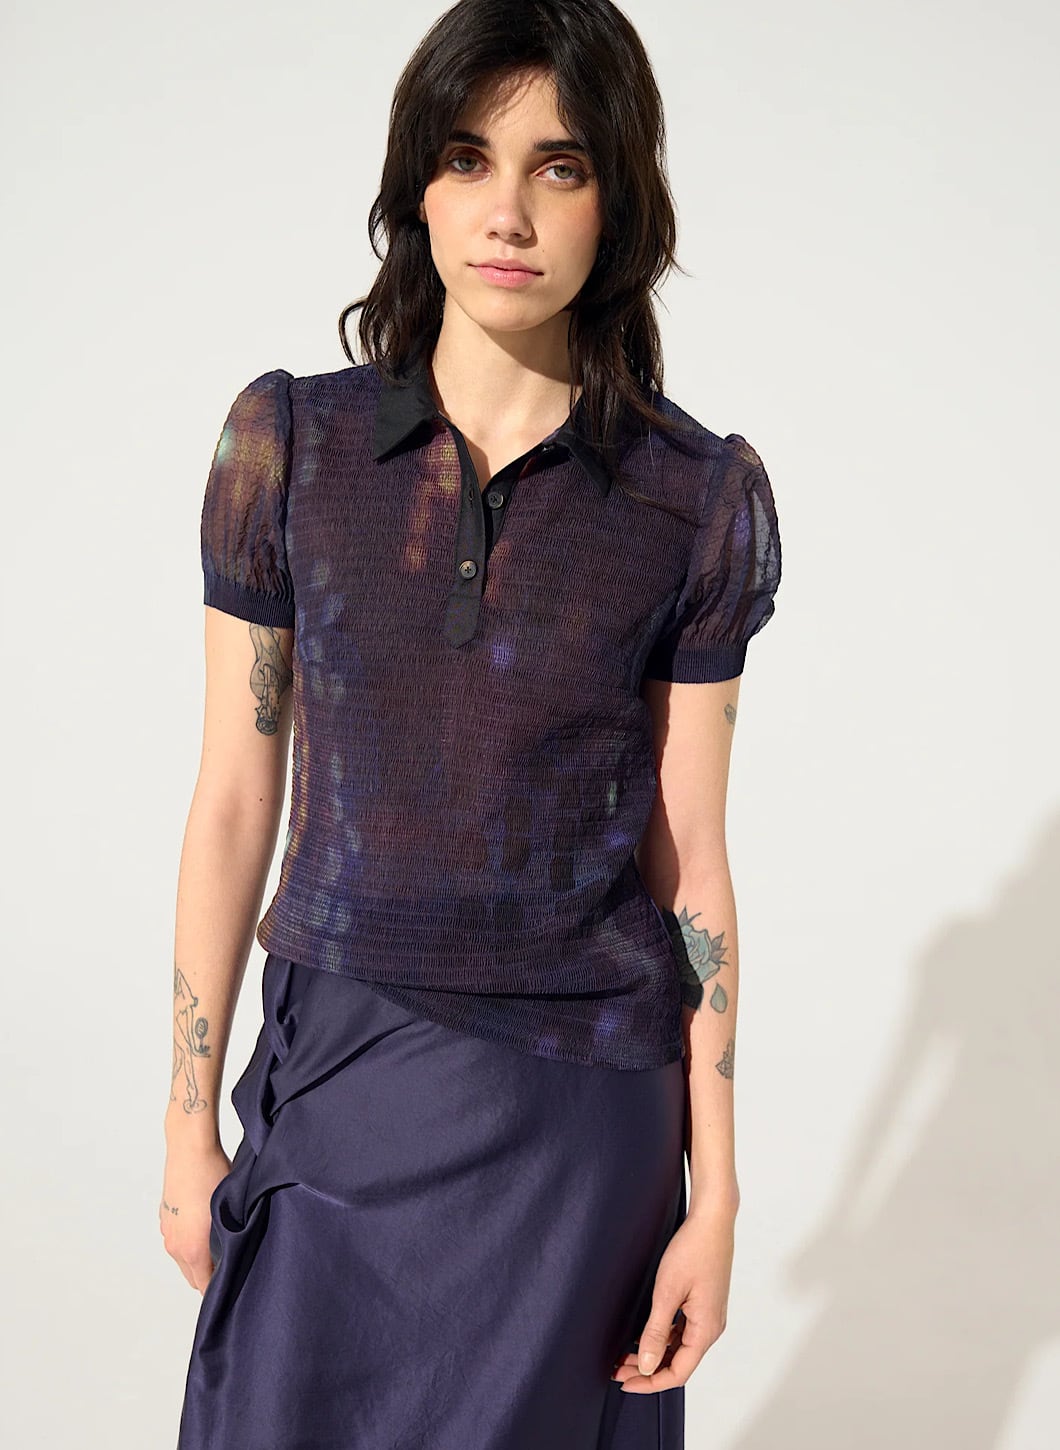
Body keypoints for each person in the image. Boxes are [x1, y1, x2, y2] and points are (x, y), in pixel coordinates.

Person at [162, 1, 782, 1446]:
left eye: (560, 167)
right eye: (467, 158)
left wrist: (717, 1196)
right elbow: (235, 802)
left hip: (582, 1128)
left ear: (617, 203)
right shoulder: (290, 447)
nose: (509, 211)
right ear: (417, 189)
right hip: (344, 1073)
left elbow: (690, 859)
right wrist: (187, 1123)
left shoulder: (694, 497)